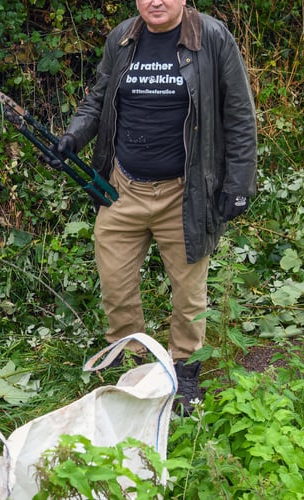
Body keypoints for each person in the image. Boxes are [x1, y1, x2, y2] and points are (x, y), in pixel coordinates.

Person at [50, 0, 257, 415]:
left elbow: (239, 114)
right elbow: (97, 100)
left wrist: (238, 184)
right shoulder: (124, 37)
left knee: (188, 291)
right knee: (115, 284)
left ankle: (185, 369)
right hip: (122, 188)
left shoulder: (211, 38)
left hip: (186, 191)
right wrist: (72, 137)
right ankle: (132, 366)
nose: (156, 1)